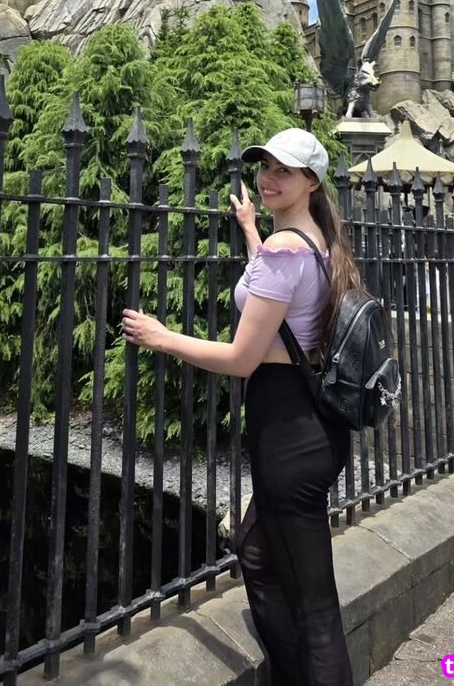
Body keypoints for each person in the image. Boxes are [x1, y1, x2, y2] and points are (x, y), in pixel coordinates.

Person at [121, 127, 358, 685]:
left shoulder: (285, 249)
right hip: (311, 429)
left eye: (284, 171)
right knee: (254, 552)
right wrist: (252, 228)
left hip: (291, 439)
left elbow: (242, 358)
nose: (268, 178)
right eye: (265, 166)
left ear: (312, 182)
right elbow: (275, 298)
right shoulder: (315, 243)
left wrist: (162, 337)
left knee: (316, 606)